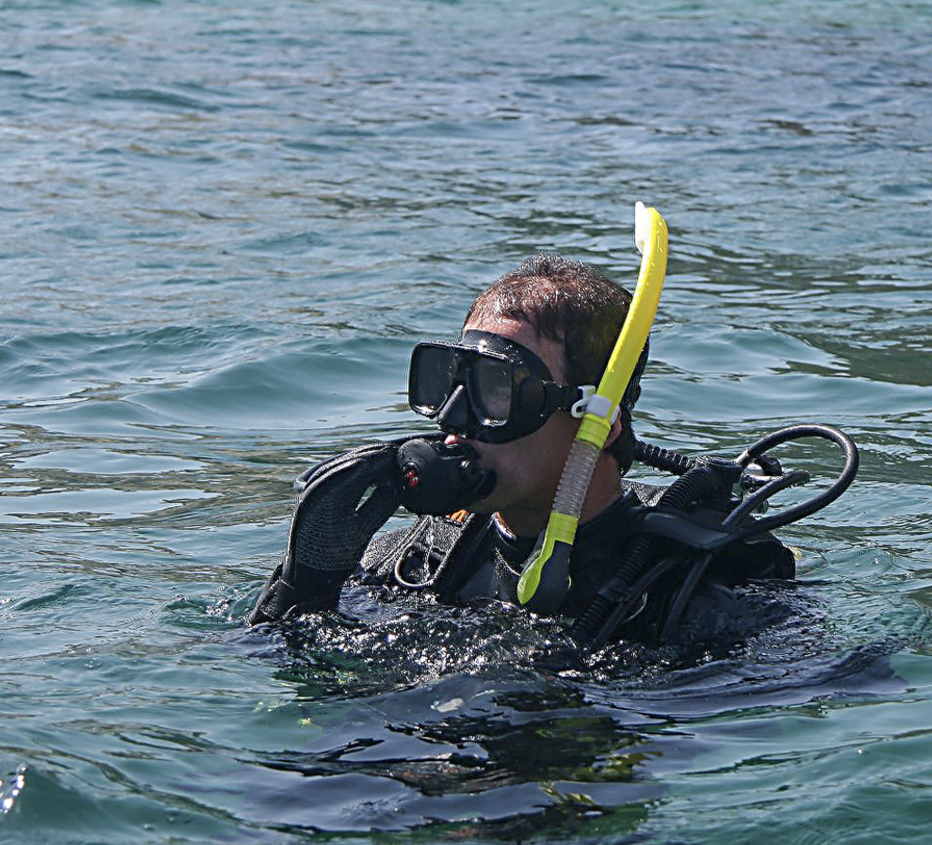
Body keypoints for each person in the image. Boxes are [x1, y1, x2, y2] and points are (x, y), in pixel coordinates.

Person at [246, 252, 799, 645]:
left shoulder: (696, 585)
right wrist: (308, 582)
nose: (453, 420)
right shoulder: (415, 558)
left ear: (599, 426)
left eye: (495, 390)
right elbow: (246, 673)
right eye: (447, 383)